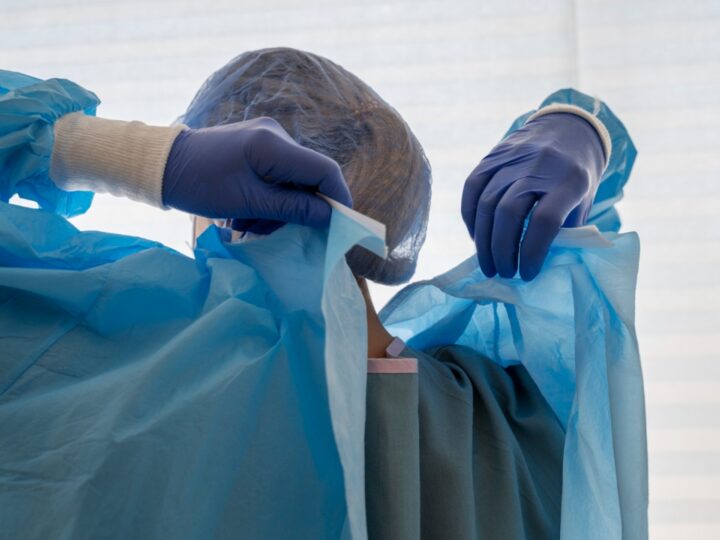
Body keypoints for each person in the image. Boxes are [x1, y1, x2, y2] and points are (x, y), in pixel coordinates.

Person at [0, 48, 645, 540]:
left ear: (217, 199)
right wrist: (577, 127)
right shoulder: (516, 413)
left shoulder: (116, 337)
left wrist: (127, 156)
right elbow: (578, 257)